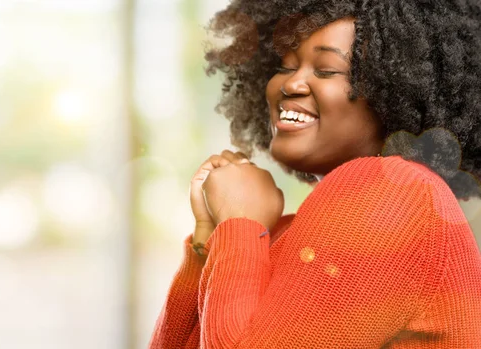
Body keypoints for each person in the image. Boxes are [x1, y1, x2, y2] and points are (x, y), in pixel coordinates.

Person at [149, 0, 481, 348]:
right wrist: (208, 242)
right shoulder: (306, 229)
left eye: (325, 70)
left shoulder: (398, 193)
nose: (290, 84)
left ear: (397, 87)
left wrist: (240, 221)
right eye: (283, 66)